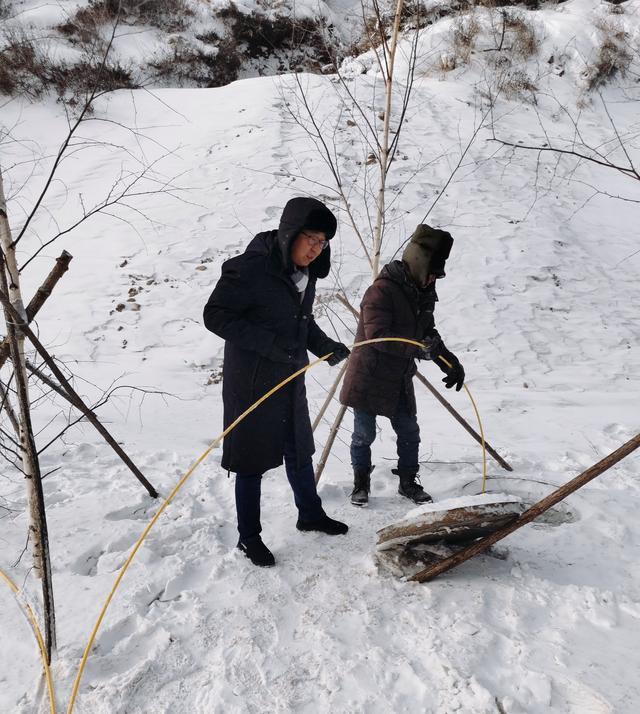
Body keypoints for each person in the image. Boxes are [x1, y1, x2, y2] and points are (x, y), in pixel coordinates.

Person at [203, 197, 351, 567]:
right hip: (252, 384)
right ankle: (248, 538)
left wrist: (323, 346)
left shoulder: (305, 277)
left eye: (323, 243)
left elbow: (302, 323)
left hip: (290, 378)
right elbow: (215, 315)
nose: (316, 250)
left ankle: (310, 514)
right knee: (250, 462)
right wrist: (270, 345)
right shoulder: (250, 269)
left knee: (299, 450)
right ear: (290, 234)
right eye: (311, 239)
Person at [339, 224, 465, 507]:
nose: (434, 279)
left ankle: (408, 482)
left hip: (398, 378)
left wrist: (449, 362)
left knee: (409, 431)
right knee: (364, 434)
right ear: (419, 264)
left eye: (437, 275)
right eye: (431, 273)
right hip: (369, 376)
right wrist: (419, 350)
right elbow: (378, 336)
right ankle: (361, 483)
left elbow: (428, 334)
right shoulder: (381, 291)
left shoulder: (424, 293)